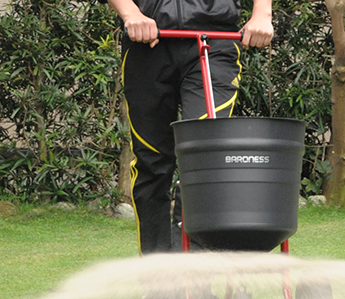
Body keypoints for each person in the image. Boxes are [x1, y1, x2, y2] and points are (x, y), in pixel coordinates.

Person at [106, 0, 274, 255]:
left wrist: (262, 14)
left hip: (214, 43)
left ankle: (194, 279)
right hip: (146, 43)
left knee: (203, 158)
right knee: (152, 163)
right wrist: (131, 13)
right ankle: (159, 280)